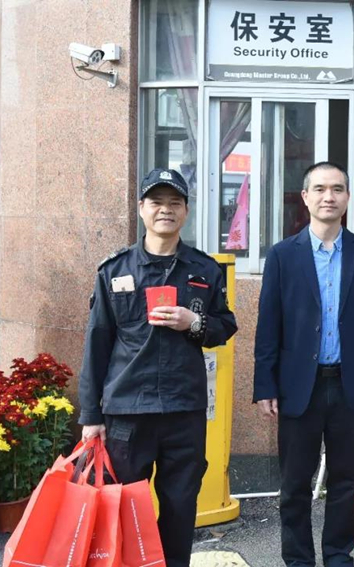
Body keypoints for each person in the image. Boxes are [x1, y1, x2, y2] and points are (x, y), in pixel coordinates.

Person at [78, 167, 237, 567]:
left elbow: (225, 326)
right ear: (141, 209)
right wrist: (91, 416)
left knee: (180, 508)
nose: (165, 209)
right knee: (125, 508)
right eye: (157, 202)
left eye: (174, 202)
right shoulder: (114, 271)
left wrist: (193, 322)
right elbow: (97, 344)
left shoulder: (205, 270)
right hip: (128, 413)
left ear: (185, 211)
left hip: (184, 411)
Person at [253, 162, 354, 567]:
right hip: (299, 386)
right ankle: (298, 559)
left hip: (351, 385)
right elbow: (269, 326)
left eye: (336, 189)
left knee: (346, 482)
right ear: (305, 197)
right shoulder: (283, 255)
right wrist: (265, 385)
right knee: (294, 484)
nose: (328, 197)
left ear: (348, 197)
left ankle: (337, 556)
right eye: (319, 189)